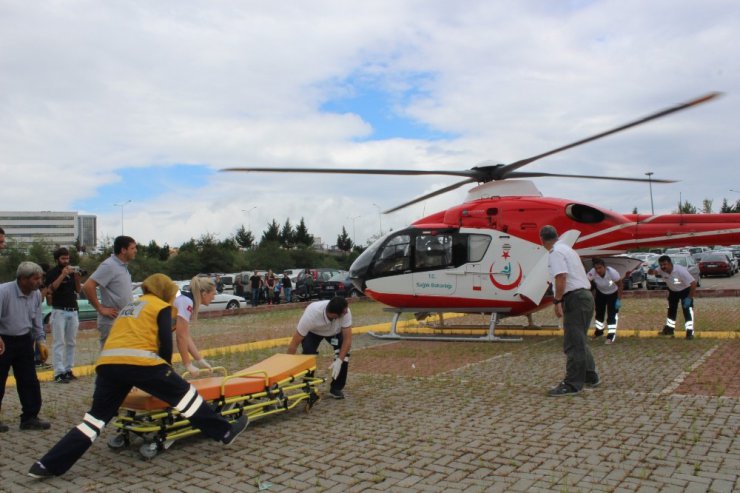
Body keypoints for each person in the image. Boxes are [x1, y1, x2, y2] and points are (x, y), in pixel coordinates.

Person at [28, 274, 248, 479]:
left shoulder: (131, 306)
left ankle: (47, 465)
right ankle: (225, 431)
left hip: (108, 365)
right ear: (165, 291)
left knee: (94, 420)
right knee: (187, 397)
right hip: (140, 363)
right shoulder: (160, 306)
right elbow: (164, 340)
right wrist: (167, 372)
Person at [540, 225, 600, 397]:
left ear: (542, 240)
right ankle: (590, 375)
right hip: (584, 296)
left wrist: (557, 300)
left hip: (575, 298)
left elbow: (561, 277)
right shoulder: (568, 249)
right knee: (579, 338)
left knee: (573, 342)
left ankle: (572, 383)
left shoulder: (555, 253)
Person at [0, 261, 52, 433]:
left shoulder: (36, 294)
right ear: (23, 279)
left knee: (29, 381)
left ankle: (30, 418)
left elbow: (37, 319)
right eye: (36, 278)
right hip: (3, 341)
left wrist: (41, 340)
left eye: (40, 278)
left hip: (24, 340)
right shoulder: (4, 292)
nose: (39, 282)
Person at [286, 296, 352, 399]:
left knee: (344, 355)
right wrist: (287, 368)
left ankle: (336, 388)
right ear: (335, 315)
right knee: (308, 353)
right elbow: (295, 342)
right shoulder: (311, 315)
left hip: (334, 332)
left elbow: (347, 339)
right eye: (344, 313)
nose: (346, 313)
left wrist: (339, 360)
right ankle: (307, 385)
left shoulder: (345, 311)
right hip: (314, 332)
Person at [83, 235, 136, 346]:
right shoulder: (109, 265)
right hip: (111, 322)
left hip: (123, 321)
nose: (135, 251)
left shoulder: (122, 266)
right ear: (123, 250)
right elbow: (88, 286)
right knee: (110, 358)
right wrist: (100, 308)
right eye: (132, 248)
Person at [45, 247, 83, 383]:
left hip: (72, 310)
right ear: (57, 260)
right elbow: (51, 288)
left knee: (71, 342)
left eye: (67, 258)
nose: (66, 261)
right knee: (59, 342)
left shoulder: (72, 272)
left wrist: (77, 277)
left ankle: (68, 369)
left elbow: (78, 289)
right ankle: (58, 372)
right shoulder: (52, 273)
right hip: (59, 310)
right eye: (63, 258)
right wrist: (62, 275)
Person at [173, 276, 215, 376]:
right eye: (213, 294)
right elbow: (180, 337)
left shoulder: (186, 299)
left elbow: (186, 336)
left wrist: (199, 360)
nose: (214, 297)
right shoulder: (187, 302)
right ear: (204, 294)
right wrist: (188, 364)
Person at [648, 255, 697, 339]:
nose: (663, 267)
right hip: (673, 291)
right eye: (661, 265)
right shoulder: (661, 270)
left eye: (665, 264)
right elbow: (651, 273)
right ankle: (669, 330)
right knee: (671, 310)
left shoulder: (680, 271)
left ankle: (689, 332)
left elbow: (693, 283)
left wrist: (689, 298)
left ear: (670, 264)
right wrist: (651, 268)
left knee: (687, 311)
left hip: (685, 291)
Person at [586, 258, 623, 344]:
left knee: (611, 315)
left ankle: (611, 336)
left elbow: (620, 285)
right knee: (599, 314)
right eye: (596, 268)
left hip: (613, 294)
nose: (598, 270)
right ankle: (599, 332)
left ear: (604, 267)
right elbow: (586, 282)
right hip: (600, 293)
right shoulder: (593, 272)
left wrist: (618, 299)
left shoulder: (613, 273)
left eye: (600, 268)